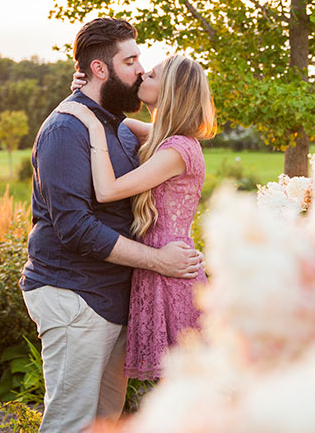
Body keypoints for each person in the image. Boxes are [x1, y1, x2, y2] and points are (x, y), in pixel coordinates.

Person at [20, 17, 203, 433]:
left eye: (142, 61)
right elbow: (76, 227)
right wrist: (159, 261)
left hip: (111, 296)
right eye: (131, 60)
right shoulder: (67, 130)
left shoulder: (118, 127)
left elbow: (171, 140)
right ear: (102, 69)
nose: (141, 70)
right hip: (73, 294)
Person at [59, 53, 216, 381]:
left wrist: (88, 121)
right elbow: (119, 122)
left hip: (171, 271)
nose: (143, 74)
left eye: (153, 75)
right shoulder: (163, 137)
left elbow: (107, 190)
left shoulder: (177, 150)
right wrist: (87, 93)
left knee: (183, 387)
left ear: (170, 90)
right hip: (156, 263)